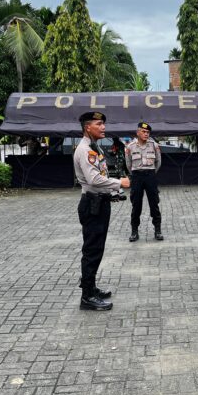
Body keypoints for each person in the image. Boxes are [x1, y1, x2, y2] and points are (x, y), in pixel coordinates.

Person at [74, 112, 130, 311]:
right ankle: (86, 297)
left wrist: (111, 191)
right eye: (99, 124)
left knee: (97, 249)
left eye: (104, 123)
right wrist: (119, 183)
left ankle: (91, 287)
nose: (104, 127)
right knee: (91, 251)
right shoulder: (84, 150)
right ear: (88, 127)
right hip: (92, 205)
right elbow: (94, 180)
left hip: (99, 202)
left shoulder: (93, 147)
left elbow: (100, 175)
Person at [126, 122, 163, 242]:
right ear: (137, 132)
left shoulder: (154, 145)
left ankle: (157, 230)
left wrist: (151, 173)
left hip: (150, 175)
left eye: (148, 132)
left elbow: (158, 162)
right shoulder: (130, 147)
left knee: (154, 204)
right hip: (137, 176)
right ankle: (134, 231)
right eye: (143, 131)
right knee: (136, 205)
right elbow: (128, 164)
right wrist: (136, 174)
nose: (146, 134)